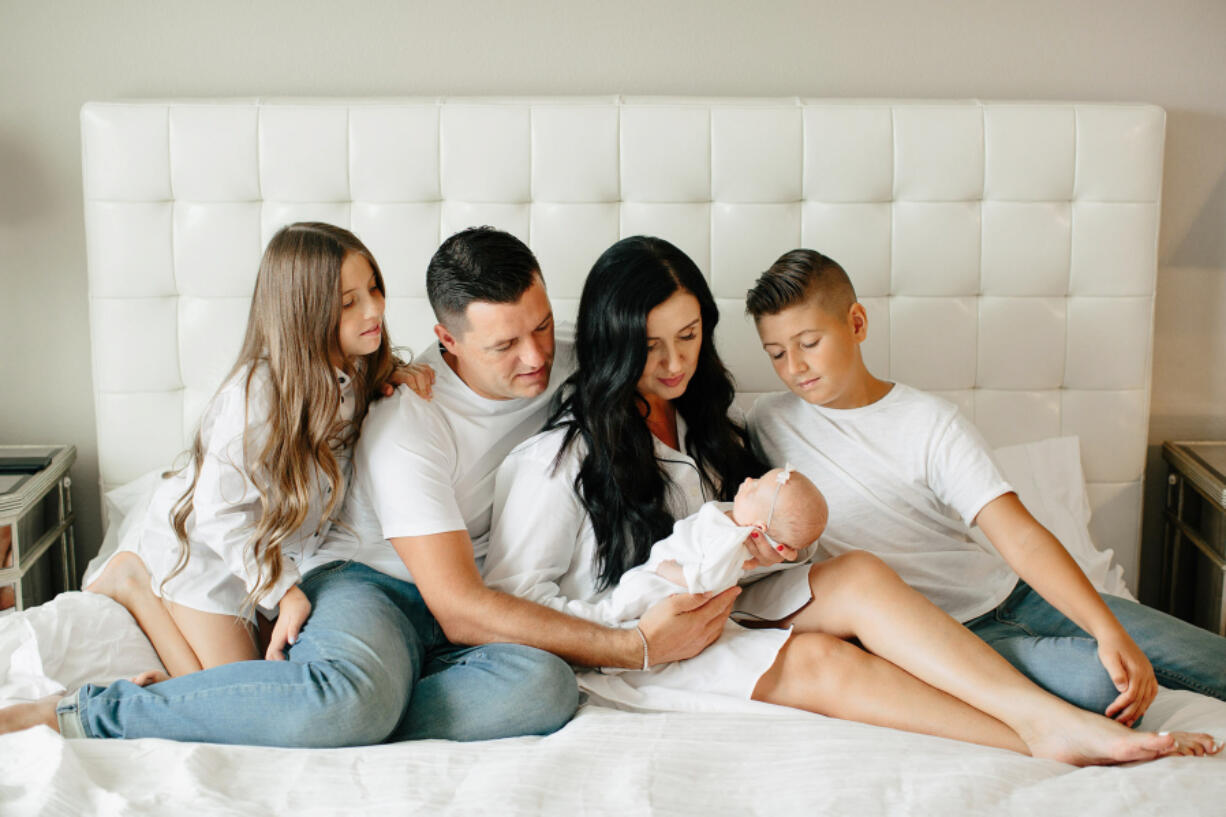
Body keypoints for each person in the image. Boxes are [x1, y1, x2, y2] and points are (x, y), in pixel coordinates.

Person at [484, 234, 1218, 765]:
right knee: (823, 664)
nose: (675, 363)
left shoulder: (719, 432)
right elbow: (512, 606)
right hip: (636, 639)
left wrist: (774, 544)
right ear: (613, 343)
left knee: (860, 573)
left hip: (729, 607)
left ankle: (1048, 721)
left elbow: (758, 533)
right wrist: (640, 636)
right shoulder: (554, 460)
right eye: (650, 346)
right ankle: (1042, 734)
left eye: (690, 336)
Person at [0, 227, 733, 747]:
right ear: (449, 342)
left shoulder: (543, 361)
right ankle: (85, 713)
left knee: (543, 688)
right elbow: (455, 602)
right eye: (505, 345)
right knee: (347, 700)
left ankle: (342, 704)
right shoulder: (402, 417)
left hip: (461, 614)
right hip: (371, 583)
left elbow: (655, 369)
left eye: (541, 327)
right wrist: (632, 644)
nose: (536, 357)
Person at [745, 248, 1226, 726]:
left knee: (1209, 659)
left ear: (856, 324)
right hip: (943, 639)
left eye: (809, 343)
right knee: (1104, 688)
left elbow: (1017, 535)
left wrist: (1107, 628)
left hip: (1015, 595)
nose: (794, 368)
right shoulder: (765, 422)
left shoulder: (928, 422)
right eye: (776, 353)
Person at [85, 222, 397, 677]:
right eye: (350, 302)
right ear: (303, 313)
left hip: (269, 547)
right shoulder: (257, 395)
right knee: (236, 687)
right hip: (207, 546)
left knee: (268, 676)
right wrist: (284, 592)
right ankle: (132, 582)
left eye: (374, 288)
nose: (374, 310)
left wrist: (399, 375)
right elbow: (220, 514)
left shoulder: (355, 370)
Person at [594, 465, 826, 625]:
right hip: (660, 570)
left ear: (759, 528)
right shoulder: (736, 519)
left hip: (670, 587)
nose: (748, 481)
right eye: (756, 479)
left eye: (754, 489)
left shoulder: (730, 540)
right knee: (631, 589)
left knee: (633, 595)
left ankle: (604, 618)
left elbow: (706, 581)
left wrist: (670, 571)